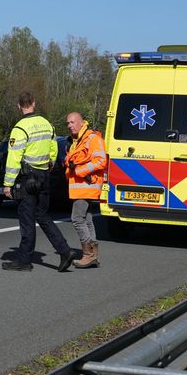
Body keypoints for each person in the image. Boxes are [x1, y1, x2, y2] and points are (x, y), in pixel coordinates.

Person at [2, 92, 78, 272]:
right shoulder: (47, 124)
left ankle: (24, 261)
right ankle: (64, 250)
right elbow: (53, 148)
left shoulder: (20, 128)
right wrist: (49, 165)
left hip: (27, 178)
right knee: (43, 216)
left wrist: (7, 184)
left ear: (19, 106)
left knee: (27, 219)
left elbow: (14, 157)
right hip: (44, 175)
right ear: (34, 103)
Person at [64, 111, 107, 268]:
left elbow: (101, 161)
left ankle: (88, 254)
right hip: (80, 187)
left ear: (82, 123)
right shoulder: (77, 141)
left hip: (87, 186)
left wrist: (81, 171)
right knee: (87, 219)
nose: (69, 125)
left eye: (73, 122)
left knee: (77, 219)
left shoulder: (92, 138)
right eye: (68, 123)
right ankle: (93, 255)